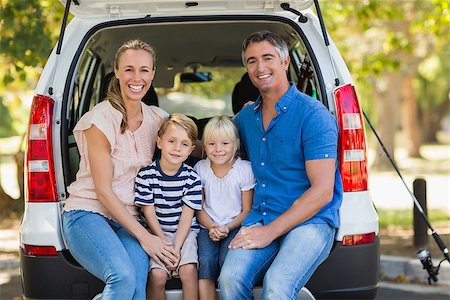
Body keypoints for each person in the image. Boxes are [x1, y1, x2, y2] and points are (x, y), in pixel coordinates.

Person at [218, 30, 343, 299]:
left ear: (285, 62)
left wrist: (269, 232)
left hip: (310, 222)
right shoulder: (245, 119)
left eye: (267, 58)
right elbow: (215, 144)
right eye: (251, 61)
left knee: (277, 284)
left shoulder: (314, 116)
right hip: (262, 216)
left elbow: (322, 191)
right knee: (229, 281)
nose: (260, 67)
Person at [62, 39, 178, 299]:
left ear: (153, 74)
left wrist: (233, 127)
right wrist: (146, 238)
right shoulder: (100, 119)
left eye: (144, 70)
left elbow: (191, 144)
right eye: (129, 69)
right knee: (123, 278)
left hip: (127, 221)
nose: (137, 78)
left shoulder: (158, 118)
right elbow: (103, 192)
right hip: (88, 214)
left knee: (138, 287)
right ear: (116, 72)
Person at [134, 113, 202, 300]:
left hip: (185, 233)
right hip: (157, 233)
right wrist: (164, 245)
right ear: (159, 142)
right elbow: (148, 212)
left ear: (191, 150)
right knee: (157, 275)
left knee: (188, 271)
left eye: (185, 144)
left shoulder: (192, 178)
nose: (177, 148)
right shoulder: (146, 175)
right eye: (171, 141)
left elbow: (187, 217)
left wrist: (177, 248)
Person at [194, 116, 255, 300]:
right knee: (205, 262)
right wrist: (212, 227)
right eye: (211, 144)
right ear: (204, 146)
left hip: (235, 226)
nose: (218, 149)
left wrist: (227, 228)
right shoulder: (200, 168)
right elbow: (199, 208)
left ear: (236, 144)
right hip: (208, 227)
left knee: (226, 261)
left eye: (225, 143)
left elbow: (247, 210)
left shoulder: (244, 169)